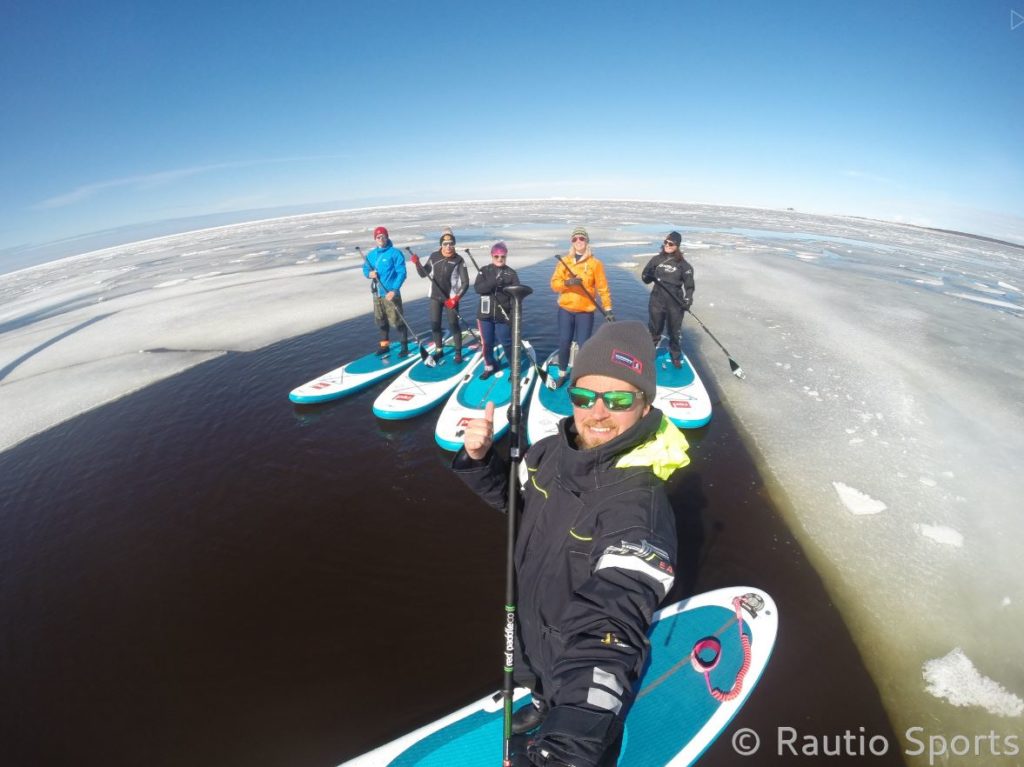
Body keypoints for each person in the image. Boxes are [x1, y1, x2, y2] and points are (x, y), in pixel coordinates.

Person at [454, 321, 691, 767]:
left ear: (644, 407)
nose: (597, 413)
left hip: (578, 653)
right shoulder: (549, 451)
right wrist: (480, 461)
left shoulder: (639, 506)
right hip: (533, 624)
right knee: (540, 675)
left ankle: (580, 730)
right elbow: (518, 504)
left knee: (584, 715)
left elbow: (612, 621)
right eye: (585, 397)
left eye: (618, 399)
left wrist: (571, 748)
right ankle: (543, 700)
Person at [549, 227, 613, 387]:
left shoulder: (595, 264)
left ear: (587, 241)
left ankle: (580, 376)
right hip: (566, 310)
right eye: (575, 239)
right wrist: (567, 283)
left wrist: (608, 309)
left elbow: (603, 288)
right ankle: (563, 373)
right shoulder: (565, 261)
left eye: (581, 239)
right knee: (564, 342)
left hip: (585, 312)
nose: (578, 242)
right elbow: (554, 284)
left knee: (584, 345)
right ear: (572, 242)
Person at [411, 228, 470, 362]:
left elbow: (465, 283)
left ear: (454, 244)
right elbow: (423, 274)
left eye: (451, 243)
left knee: (453, 324)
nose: (448, 246)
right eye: (445, 244)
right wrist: (417, 264)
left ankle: (458, 352)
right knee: (435, 324)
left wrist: (456, 298)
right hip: (435, 297)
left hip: (451, 298)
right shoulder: (434, 256)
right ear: (441, 245)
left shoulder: (459, 260)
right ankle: (439, 350)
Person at [640, 231, 695, 369]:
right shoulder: (656, 260)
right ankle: (648, 354)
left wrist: (688, 299)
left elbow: (689, 286)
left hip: (675, 303)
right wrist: (648, 275)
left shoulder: (684, 265)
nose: (667, 245)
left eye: (671, 243)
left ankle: (675, 355)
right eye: (665, 242)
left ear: (677, 245)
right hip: (657, 301)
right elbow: (645, 279)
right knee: (654, 329)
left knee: (674, 331)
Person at [473, 241, 520, 380]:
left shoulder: (511, 273)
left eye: (502, 256)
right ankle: (489, 366)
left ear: (506, 257)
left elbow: (516, 296)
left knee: (506, 342)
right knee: (487, 343)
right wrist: (493, 282)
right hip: (484, 315)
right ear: (492, 256)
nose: (499, 259)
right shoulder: (484, 270)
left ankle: (513, 369)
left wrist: (513, 315)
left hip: (503, 315)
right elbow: (478, 289)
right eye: (496, 256)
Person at [362, 226, 409, 356]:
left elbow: (402, 273)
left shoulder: (395, 253)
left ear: (387, 237)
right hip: (377, 294)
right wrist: (369, 274)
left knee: (397, 321)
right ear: (375, 239)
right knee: (381, 321)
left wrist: (394, 290)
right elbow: (365, 269)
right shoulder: (371, 255)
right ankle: (384, 346)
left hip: (390, 294)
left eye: (383, 236)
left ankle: (404, 346)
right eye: (378, 237)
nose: (381, 239)